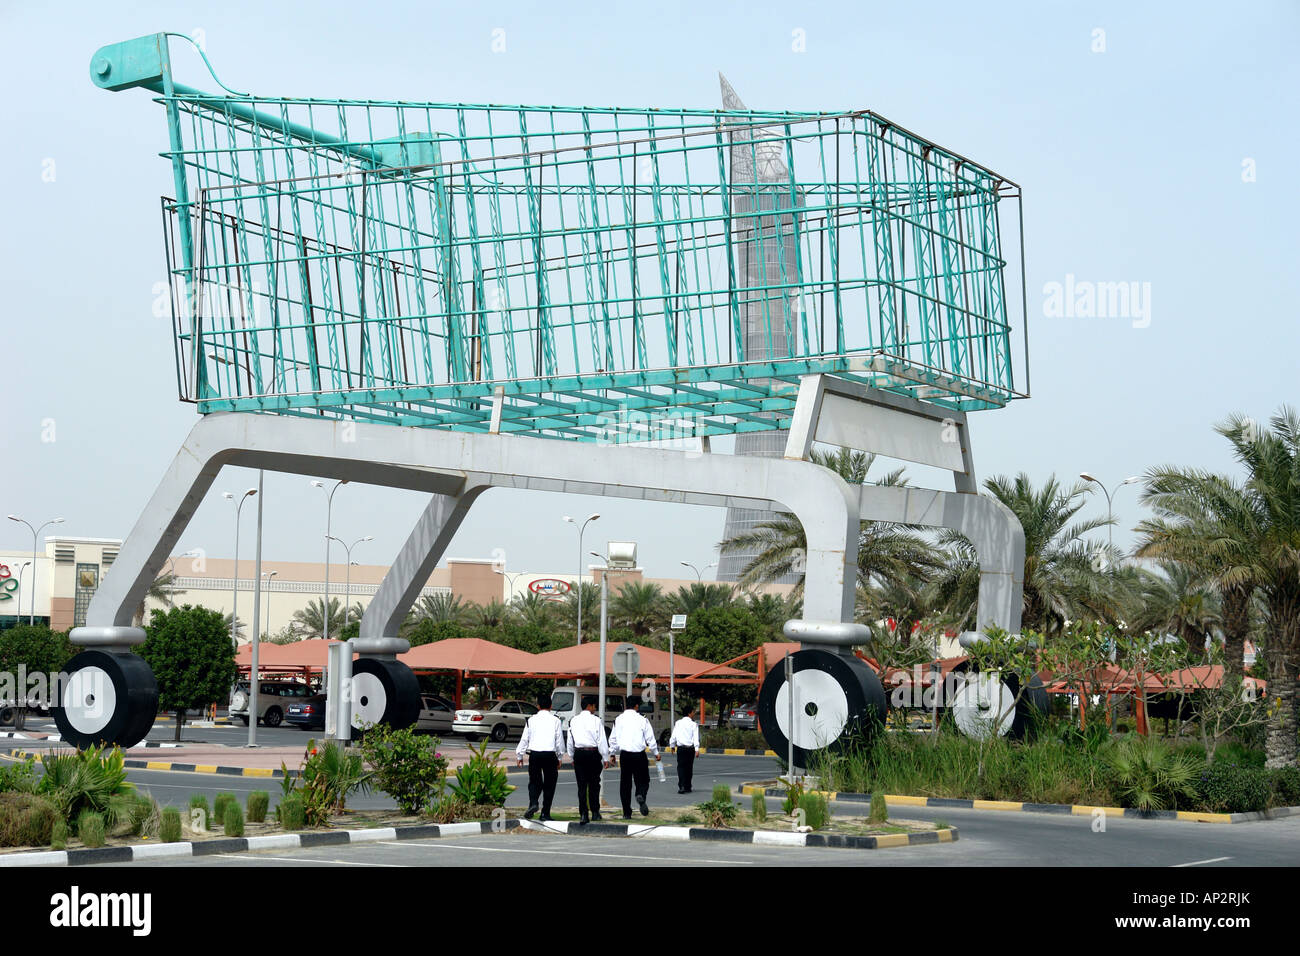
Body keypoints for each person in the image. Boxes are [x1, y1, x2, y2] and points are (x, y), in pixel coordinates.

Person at [608, 696, 660, 818]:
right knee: (643, 780)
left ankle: (626, 812)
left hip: (625, 755)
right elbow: (650, 738)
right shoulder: (643, 719)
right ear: (637, 706)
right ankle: (640, 794)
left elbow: (613, 739)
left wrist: (612, 753)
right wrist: (656, 752)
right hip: (639, 755)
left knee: (625, 784)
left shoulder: (618, 719)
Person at [515, 693, 564, 821]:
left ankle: (533, 803)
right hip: (549, 754)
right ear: (551, 706)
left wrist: (519, 755)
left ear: (538, 706)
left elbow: (525, 739)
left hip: (535, 754)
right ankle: (545, 812)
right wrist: (560, 757)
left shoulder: (531, 720)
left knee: (534, 781)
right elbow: (559, 741)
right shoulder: (556, 720)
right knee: (550, 784)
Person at [566, 695, 609, 825]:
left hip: (579, 753)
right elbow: (601, 740)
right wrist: (605, 757)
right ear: (589, 706)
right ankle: (595, 812)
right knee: (594, 784)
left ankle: (583, 814)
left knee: (582, 786)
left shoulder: (573, 720)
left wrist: (572, 755)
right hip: (593, 753)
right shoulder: (596, 721)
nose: (595, 708)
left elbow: (570, 740)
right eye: (594, 706)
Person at [668, 706, 700, 794]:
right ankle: (688, 786)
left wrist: (672, 745)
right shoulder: (694, 724)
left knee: (681, 767)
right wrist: (697, 749)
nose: (694, 714)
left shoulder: (678, 723)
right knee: (689, 768)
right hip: (690, 749)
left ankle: (681, 786)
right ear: (689, 713)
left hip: (681, 748)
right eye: (693, 712)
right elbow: (695, 738)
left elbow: (674, 735)